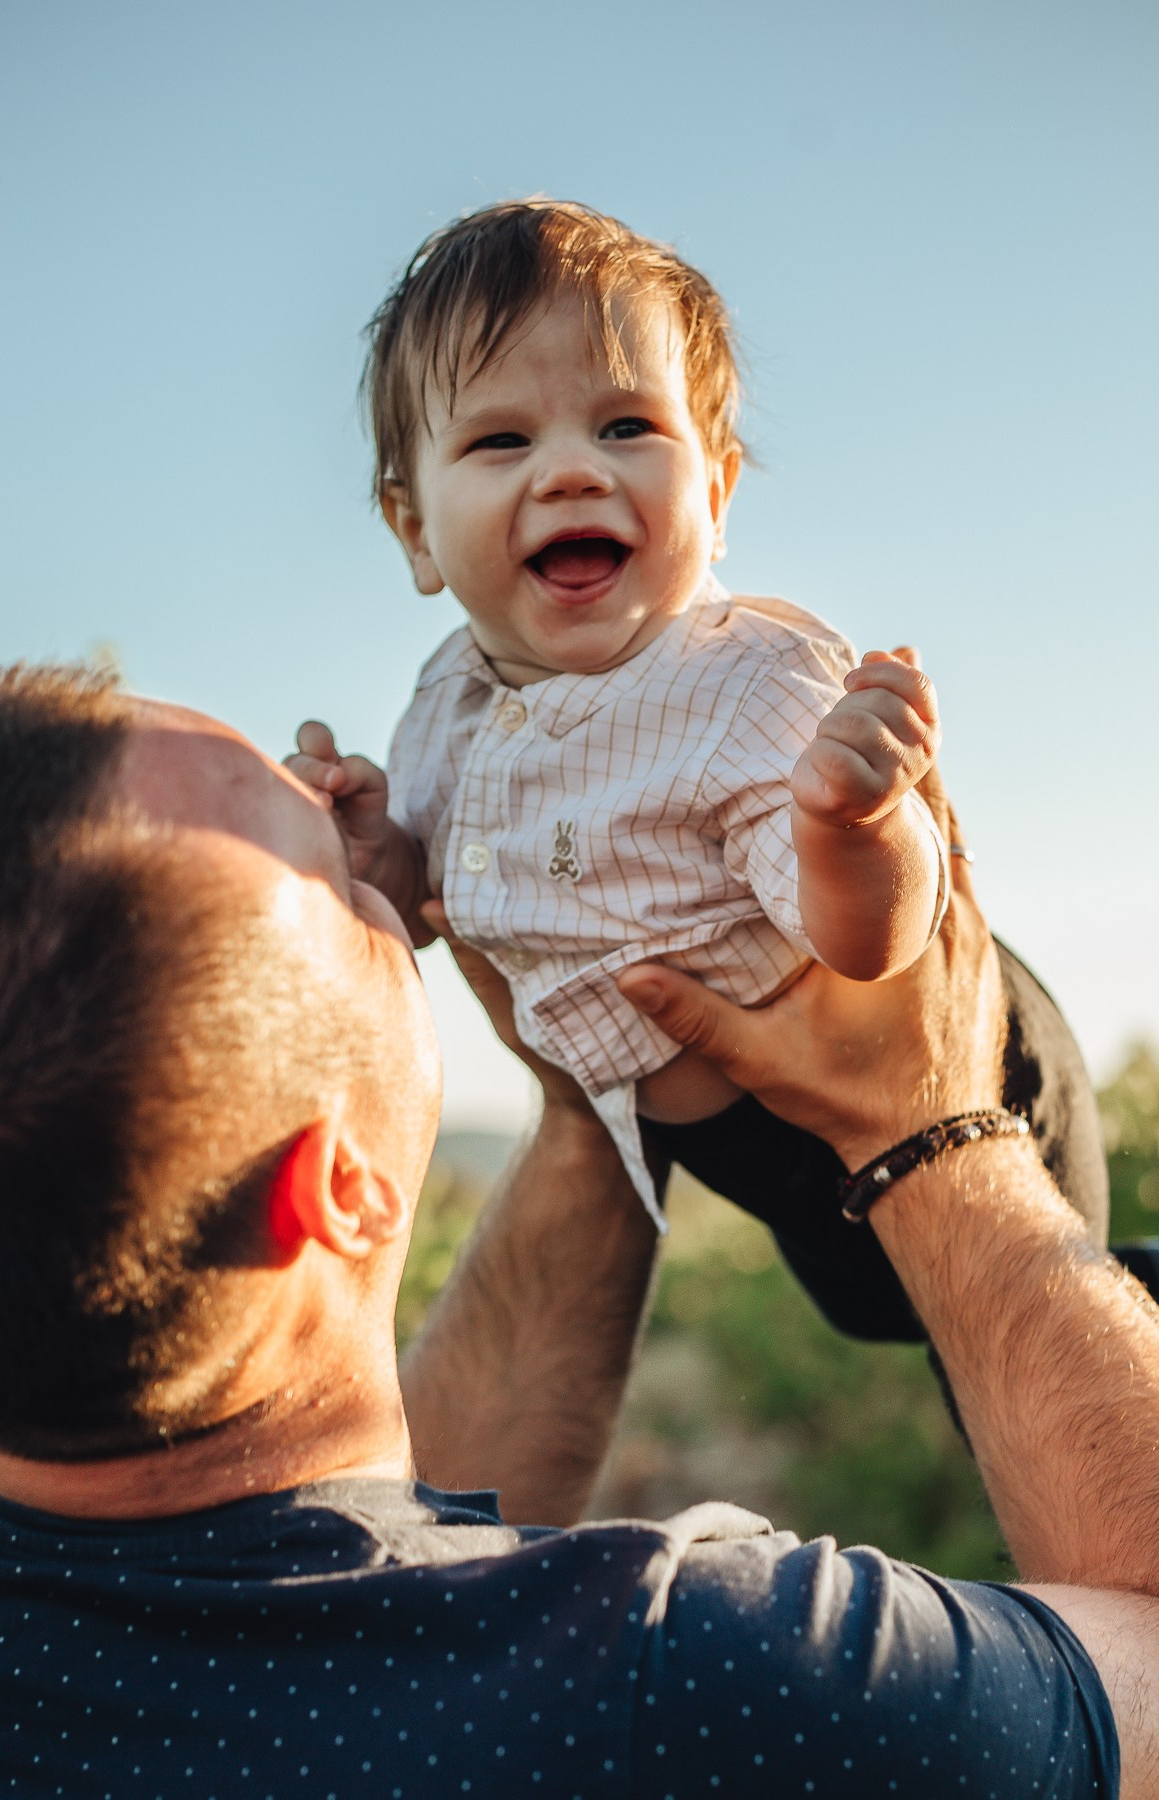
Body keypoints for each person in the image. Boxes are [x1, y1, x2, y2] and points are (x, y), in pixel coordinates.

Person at [0, 661, 1155, 1797]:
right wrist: (933, 1124)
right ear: (335, 1192)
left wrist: (592, 1097)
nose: (385, 884)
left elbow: (384, 1572)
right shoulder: (700, 1687)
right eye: (338, 879)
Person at [290, 197, 1107, 1344]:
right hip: (752, 1155)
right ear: (415, 529)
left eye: (626, 427)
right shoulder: (447, 704)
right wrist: (375, 852)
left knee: (1045, 1332)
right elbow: (434, 890)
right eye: (501, 440)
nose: (571, 471)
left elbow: (878, 952)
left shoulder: (750, 690)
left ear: (715, 496)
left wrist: (853, 826)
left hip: (961, 1085)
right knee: (885, 1319)